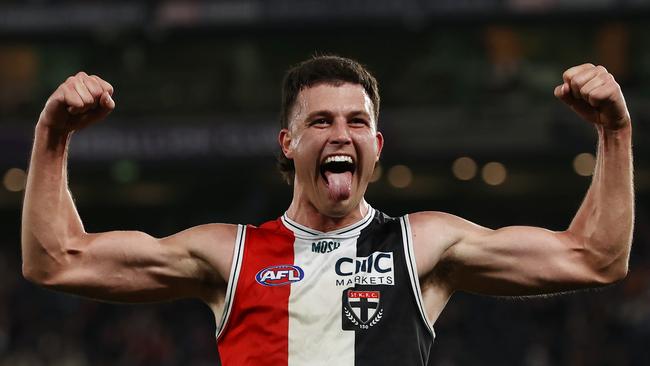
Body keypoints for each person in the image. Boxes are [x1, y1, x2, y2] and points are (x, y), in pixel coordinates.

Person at [21, 56, 634, 365]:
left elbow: (595, 258)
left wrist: (615, 130)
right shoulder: (227, 253)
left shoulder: (423, 246)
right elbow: (58, 262)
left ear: (377, 146)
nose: (340, 134)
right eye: (320, 121)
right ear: (288, 145)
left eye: (357, 122)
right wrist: (52, 135)